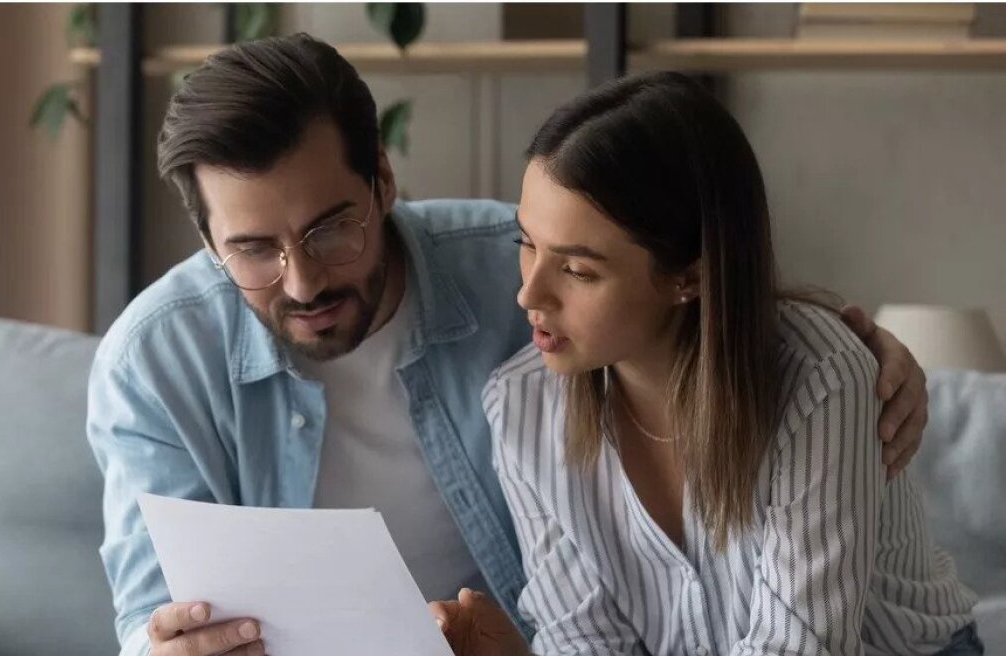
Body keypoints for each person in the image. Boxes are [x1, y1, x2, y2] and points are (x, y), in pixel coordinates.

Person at [86, 35, 931, 656]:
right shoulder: (151, 364)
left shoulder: (507, 264)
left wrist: (855, 345)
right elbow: (149, 615)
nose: (302, 280)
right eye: (252, 250)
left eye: (330, 228)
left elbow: (694, 282)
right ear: (204, 239)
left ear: (382, 179)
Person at [430, 72, 981, 655]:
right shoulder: (520, 407)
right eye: (527, 245)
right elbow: (585, 642)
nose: (529, 294)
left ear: (688, 275)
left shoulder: (819, 379)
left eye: (578, 270)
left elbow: (797, 647)